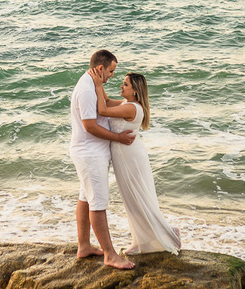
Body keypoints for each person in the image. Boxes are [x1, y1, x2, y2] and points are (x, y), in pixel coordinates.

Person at [89, 68, 182, 255]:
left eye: (125, 84)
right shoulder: (128, 104)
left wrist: (98, 85)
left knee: (137, 198)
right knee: (134, 198)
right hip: (128, 155)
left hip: (129, 157)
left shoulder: (131, 107)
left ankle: (168, 234)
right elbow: (106, 102)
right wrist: (99, 83)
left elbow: (102, 109)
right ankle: (142, 240)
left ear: (135, 91)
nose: (121, 86)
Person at [70, 49, 137, 270]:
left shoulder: (90, 84)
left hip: (88, 152)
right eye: (110, 71)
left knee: (86, 198)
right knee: (97, 203)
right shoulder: (88, 90)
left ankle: (84, 246)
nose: (112, 76)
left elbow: (106, 103)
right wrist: (117, 137)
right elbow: (90, 126)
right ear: (100, 69)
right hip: (90, 153)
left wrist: (136, 105)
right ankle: (109, 254)